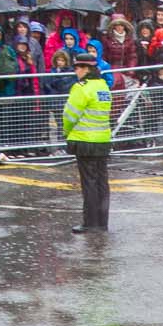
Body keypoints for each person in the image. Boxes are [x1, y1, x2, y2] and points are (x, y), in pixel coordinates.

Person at [61, 52, 112, 232]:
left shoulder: (81, 88)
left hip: (84, 141)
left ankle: (90, 222)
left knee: (89, 183)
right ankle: (102, 221)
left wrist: (67, 133)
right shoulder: (103, 86)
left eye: (77, 67)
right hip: (103, 139)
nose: (76, 71)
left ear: (86, 68)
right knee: (101, 182)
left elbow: (70, 115)